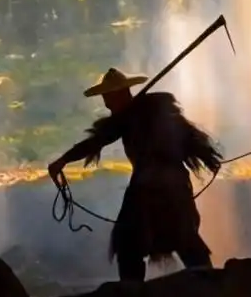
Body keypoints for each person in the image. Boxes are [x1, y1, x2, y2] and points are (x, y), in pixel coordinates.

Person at [48, 67, 222, 282]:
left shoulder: (133, 117)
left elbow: (97, 140)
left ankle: (133, 294)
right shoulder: (154, 113)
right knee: (183, 237)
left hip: (148, 187)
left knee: (130, 243)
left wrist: (63, 160)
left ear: (118, 95)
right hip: (175, 184)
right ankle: (210, 283)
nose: (106, 104)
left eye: (108, 97)